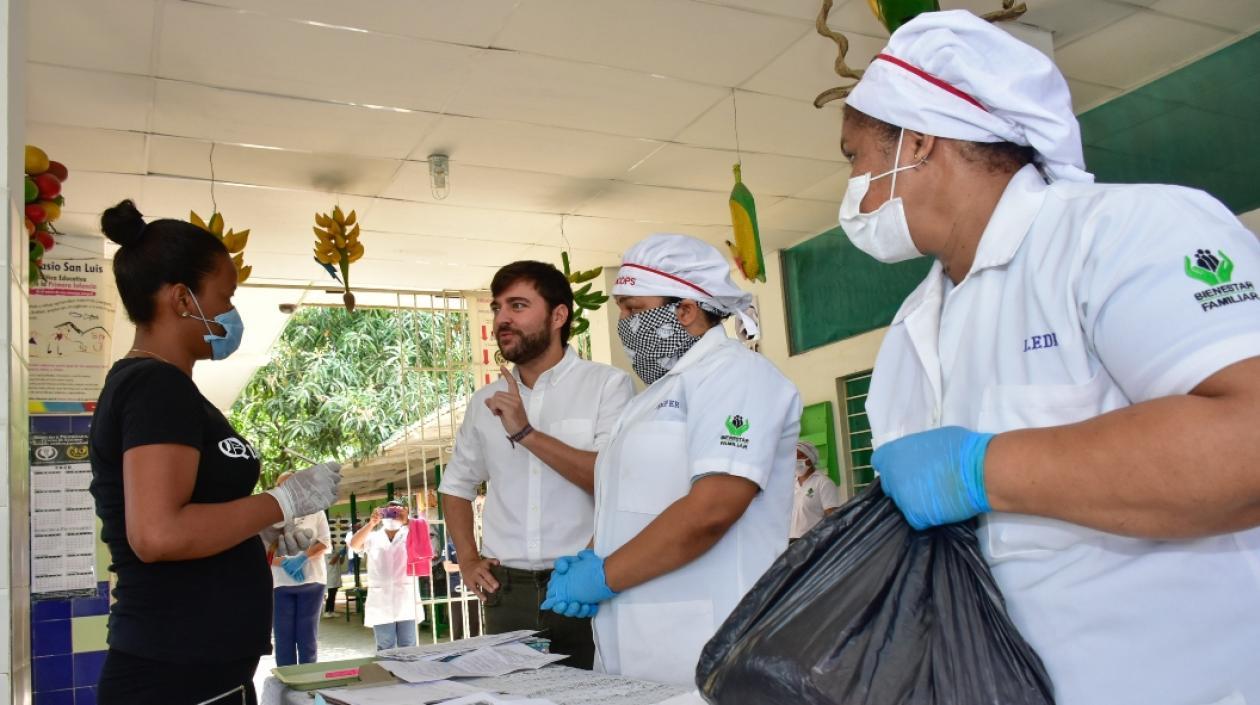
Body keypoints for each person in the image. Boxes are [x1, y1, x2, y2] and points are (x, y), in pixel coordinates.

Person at [834, 12, 1260, 705]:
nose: (850, 189)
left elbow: (1249, 442)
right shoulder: (908, 337)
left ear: (918, 137)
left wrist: (981, 468)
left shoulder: (1122, 234)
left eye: (853, 157)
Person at [88, 200, 340, 705]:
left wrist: (258, 524)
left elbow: (194, 516)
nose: (230, 312)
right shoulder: (156, 387)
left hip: (202, 669)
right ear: (182, 298)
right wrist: (283, 502)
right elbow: (158, 535)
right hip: (173, 674)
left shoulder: (169, 388)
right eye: (224, 296)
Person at [542, 234, 803, 685]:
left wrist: (604, 575)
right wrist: (590, 556)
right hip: (635, 650)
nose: (624, 325)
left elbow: (712, 509)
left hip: (707, 640)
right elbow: (632, 506)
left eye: (634, 310)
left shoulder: (737, 376)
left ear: (686, 309)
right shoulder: (655, 395)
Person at [439, 260, 635, 669]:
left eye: (518, 306)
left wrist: (526, 432)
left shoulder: (607, 385)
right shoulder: (484, 402)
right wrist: (469, 559)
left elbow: (613, 481)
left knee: (595, 699)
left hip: (584, 586)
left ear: (558, 315)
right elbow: (456, 486)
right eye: (497, 308)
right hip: (505, 591)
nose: (502, 319)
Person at [268, 472, 332, 666]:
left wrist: (303, 558)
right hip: (280, 584)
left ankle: (307, 679)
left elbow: (325, 543)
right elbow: (263, 549)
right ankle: (286, 680)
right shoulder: (270, 514)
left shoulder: (316, 510)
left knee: (307, 637)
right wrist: (285, 563)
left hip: (312, 582)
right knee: (283, 637)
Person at [349, 501, 418, 650]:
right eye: (389, 511)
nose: (393, 516)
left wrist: (407, 522)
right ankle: (388, 672)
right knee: (385, 646)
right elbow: (354, 545)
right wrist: (371, 523)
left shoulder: (410, 533)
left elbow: (425, 546)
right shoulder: (373, 536)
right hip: (381, 600)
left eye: (397, 512)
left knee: (409, 645)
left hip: (406, 597)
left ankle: (409, 673)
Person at [789, 441, 841, 540]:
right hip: (789, 543)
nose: (796, 460)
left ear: (810, 458)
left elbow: (833, 517)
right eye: (793, 457)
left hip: (811, 543)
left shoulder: (823, 483)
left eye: (800, 456)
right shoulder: (789, 484)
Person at [323, 542, 346, 618]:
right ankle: (326, 611)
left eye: (333, 544)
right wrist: (339, 554)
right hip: (330, 577)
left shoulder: (335, 552)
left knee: (333, 595)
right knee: (330, 595)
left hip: (336, 577)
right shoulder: (325, 553)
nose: (333, 545)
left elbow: (341, 562)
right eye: (332, 544)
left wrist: (343, 555)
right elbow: (332, 562)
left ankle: (332, 611)